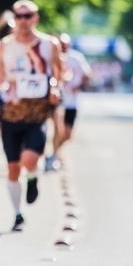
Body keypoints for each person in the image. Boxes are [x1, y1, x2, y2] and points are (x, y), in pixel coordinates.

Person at [0, 0, 62, 232]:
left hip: (38, 115)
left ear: (35, 18)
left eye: (27, 15)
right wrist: (4, 88)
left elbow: (59, 74)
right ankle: (17, 214)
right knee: (12, 169)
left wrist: (55, 88)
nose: (22, 21)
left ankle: (33, 176)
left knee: (29, 160)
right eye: (19, 16)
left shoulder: (49, 45)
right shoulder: (4, 46)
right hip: (11, 115)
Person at [48, 33, 91, 171]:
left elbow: (87, 75)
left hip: (72, 101)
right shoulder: (52, 57)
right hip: (58, 102)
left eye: (66, 45)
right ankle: (54, 155)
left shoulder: (76, 58)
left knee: (67, 134)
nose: (64, 47)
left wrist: (78, 85)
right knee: (58, 128)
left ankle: (54, 152)